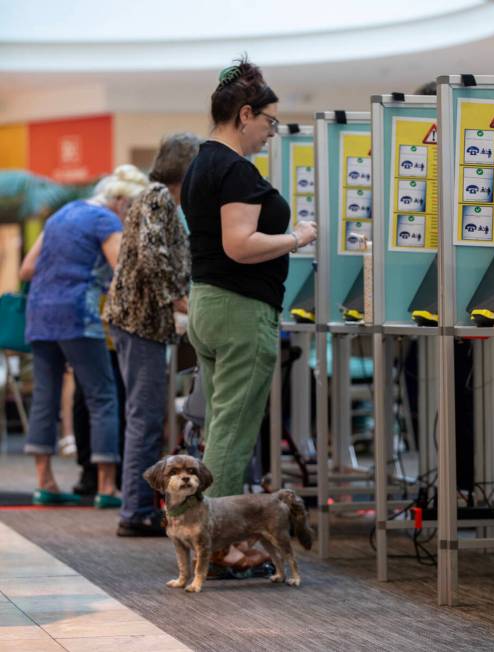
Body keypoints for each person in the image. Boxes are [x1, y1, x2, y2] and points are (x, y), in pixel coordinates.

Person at [181, 57, 317, 570]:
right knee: (232, 437)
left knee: (219, 428)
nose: (270, 132)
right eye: (269, 122)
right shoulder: (235, 168)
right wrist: (297, 237)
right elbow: (240, 245)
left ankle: (203, 539)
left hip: (209, 305)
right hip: (239, 311)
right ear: (244, 114)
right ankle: (218, 546)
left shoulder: (200, 163)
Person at [20, 164, 148, 507]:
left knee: (45, 397)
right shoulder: (106, 221)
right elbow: (122, 271)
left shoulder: (63, 213)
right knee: (103, 396)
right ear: (121, 201)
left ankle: (44, 482)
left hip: (40, 313)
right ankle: (107, 487)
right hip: (80, 314)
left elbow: (27, 269)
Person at [104, 133, 199, 537]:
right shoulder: (158, 197)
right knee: (144, 417)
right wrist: (179, 299)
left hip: (137, 320)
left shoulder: (155, 197)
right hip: (139, 320)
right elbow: (152, 255)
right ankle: (136, 510)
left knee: (143, 415)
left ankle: (138, 506)